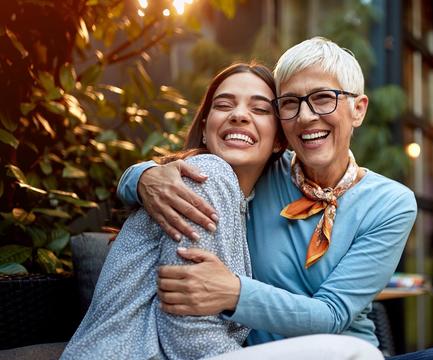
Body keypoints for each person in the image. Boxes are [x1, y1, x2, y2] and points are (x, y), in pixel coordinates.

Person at [118, 37, 433, 359]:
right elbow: (196, 168)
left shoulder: (391, 203)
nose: (306, 117)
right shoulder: (262, 169)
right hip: (258, 354)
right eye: (291, 103)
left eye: (323, 99)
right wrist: (142, 177)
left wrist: (233, 292)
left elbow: (333, 314)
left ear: (358, 109)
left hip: (347, 351)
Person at [61, 62, 287, 359]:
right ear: (205, 129)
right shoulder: (208, 175)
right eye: (223, 105)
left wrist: (137, 175)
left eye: (260, 109)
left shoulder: (249, 201)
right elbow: (189, 334)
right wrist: (139, 176)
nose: (239, 115)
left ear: (279, 140)